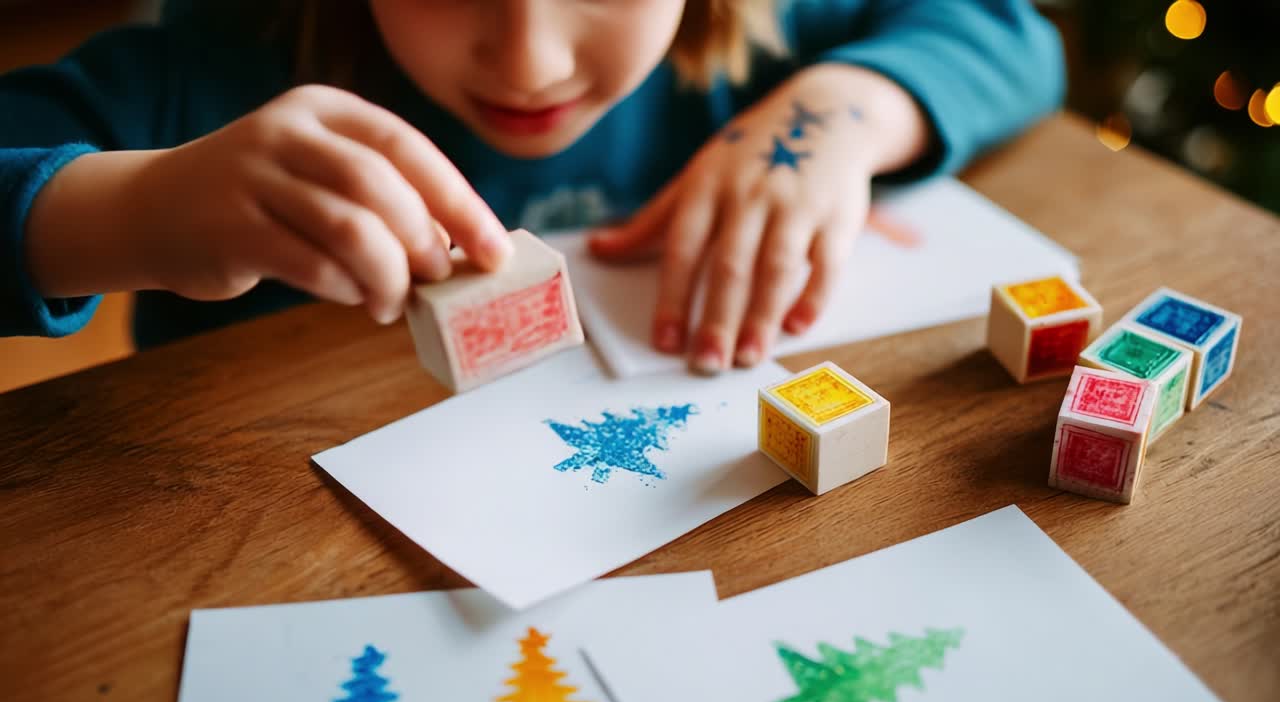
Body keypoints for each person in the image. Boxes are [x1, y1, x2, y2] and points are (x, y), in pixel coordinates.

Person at [0, 0, 1063, 373]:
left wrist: (843, 107)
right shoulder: (221, 57)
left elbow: (1011, 37)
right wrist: (120, 213)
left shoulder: (778, 19)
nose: (527, 62)